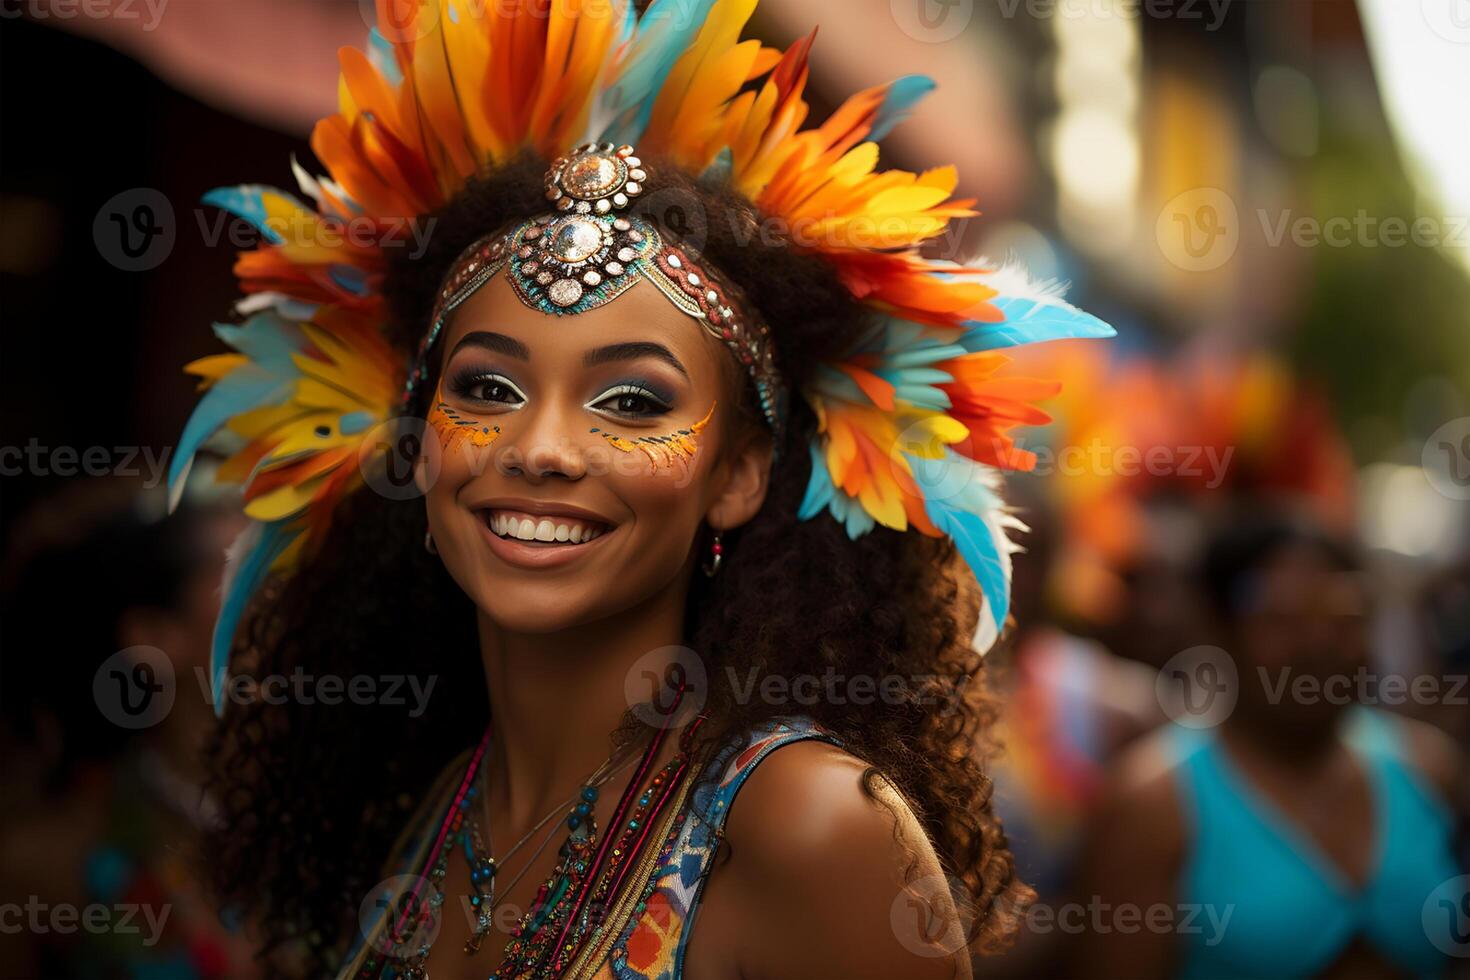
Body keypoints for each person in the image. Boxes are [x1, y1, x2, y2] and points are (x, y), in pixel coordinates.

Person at [166, 2, 1115, 976]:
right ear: (416, 446)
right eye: (488, 387)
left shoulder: (807, 825)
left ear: (738, 475)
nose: (539, 447)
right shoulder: (426, 798)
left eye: (630, 400)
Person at [1069, 510, 1465, 979]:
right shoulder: (1153, 806)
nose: (1318, 643)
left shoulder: (1427, 769)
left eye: (1343, 616)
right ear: (1219, 631)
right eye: (1282, 619)